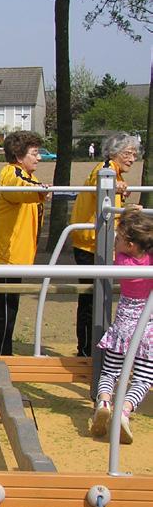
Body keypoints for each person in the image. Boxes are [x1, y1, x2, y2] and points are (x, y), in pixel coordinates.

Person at [70, 132, 140, 356]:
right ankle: (88, 349)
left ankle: (92, 347)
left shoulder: (115, 173)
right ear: (114, 152)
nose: (132, 158)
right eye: (128, 153)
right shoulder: (106, 168)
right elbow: (98, 178)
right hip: (90, 243)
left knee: (97, 297)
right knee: (92, 298)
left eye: (135, 154)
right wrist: (112, 182)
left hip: (95, 241)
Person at [89, 207, 152, 444]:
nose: (115, 242)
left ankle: (104, 401)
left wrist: (127, 212)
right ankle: (124, 411)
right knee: (144, 378)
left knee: (110, 372)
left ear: (130, 245)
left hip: (123, 327)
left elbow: (124, 241)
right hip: (148, 331)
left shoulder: (122, 261)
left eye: (118, 239)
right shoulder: (149, 261)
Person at [0, 131, 49, 355]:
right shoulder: (11, 173)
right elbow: (20, 189)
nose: (39, 158)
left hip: (16, 253)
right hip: (6, 254)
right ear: (19, 155)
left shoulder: (27, 175)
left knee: (10, 307)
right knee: (4, 309)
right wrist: (41, 190)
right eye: (34, 153)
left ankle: (3, 351)